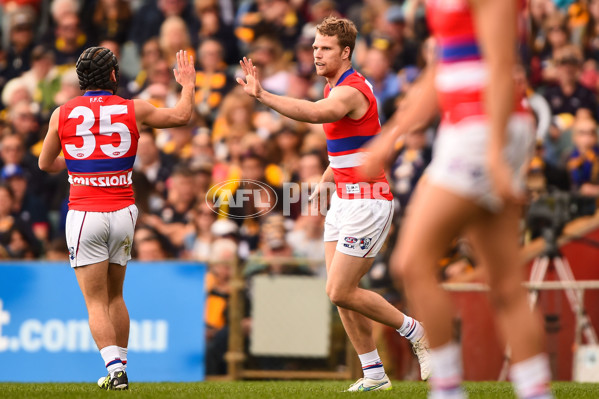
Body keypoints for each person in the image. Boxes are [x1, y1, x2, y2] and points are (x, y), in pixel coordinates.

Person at [362, 1, 553, 398]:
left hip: (483, 129)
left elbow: (502, 66)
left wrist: (496, 153)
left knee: (411, 263)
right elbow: (442, 69)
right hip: (465, 129)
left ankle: (447, 388)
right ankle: (536, 390)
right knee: (504, 284)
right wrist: (389, 137)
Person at [237, 16, 430, 391]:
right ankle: (374, 373)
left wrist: (262, 95)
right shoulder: (336, 86)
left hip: (369, 201)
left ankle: (416, 331)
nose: (316, 54)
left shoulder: (349, 91)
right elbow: (349, 148)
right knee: (341, 294)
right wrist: (326, 182)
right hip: (344, 199)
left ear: (345, 52)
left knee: (340, 290)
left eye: (325, 48)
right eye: (314, 47)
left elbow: (315, 114)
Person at [38, 47, 196, 390]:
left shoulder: (61, 113)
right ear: (113, 75)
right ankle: (120, 368)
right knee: (115, 296)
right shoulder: (134, 108)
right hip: (124, 211)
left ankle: (114, 370)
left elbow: (45, 163)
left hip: (84, 212)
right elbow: (183, 116)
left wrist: (83, 161)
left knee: (95, 300)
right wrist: (187, 83)